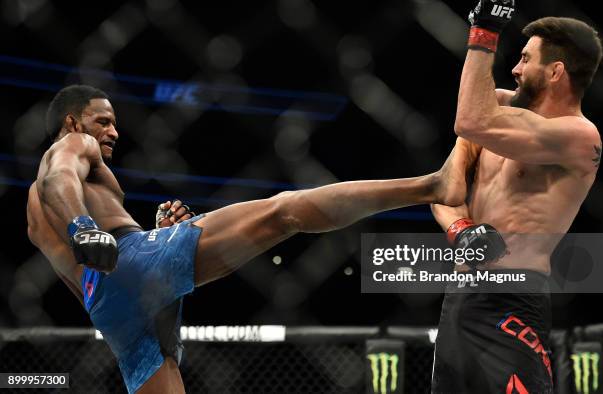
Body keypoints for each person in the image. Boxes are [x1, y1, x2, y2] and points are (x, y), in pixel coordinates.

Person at [26, 85, 475, 393]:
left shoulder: (32, 219)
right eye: (102, 121)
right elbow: (58, 178)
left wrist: (152, 238)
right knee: (283, 211)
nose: (113, 132)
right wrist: (88, 229)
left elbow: (93, 278)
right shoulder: (71, 147)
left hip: (108, 305)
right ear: (72, 122)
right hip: (126, 259)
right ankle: (433, 185)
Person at [430, 1, 603, 392]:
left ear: (556, 71)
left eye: (526, 59)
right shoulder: (499, 109)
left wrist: (484, 33)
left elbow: (469, 120)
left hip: (514, 296)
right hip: (458, 297)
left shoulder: (580, 137)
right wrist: (461, 230)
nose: (515, 68)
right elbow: (445, 188)